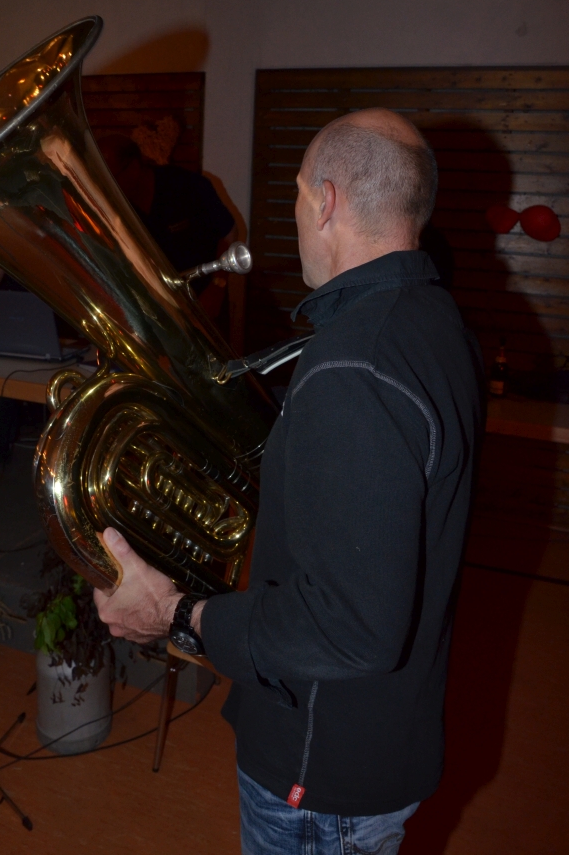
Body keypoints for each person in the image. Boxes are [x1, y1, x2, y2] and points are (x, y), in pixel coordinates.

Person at [93, 108, 484, 855]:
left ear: (325, 201)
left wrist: (175, 613)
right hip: (375, 735)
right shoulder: (432, 320)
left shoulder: (354, 365)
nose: (297, 214)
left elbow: (349, 627)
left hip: (321, 768)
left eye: (298, 195)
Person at [100, 134, 237, 318]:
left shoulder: (187, 185)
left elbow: (228, 234)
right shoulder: (116, 206)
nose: (106, 185)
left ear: (133, 167)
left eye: (110, 176)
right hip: (155, 311)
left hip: (204, 303)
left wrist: (217, 286)